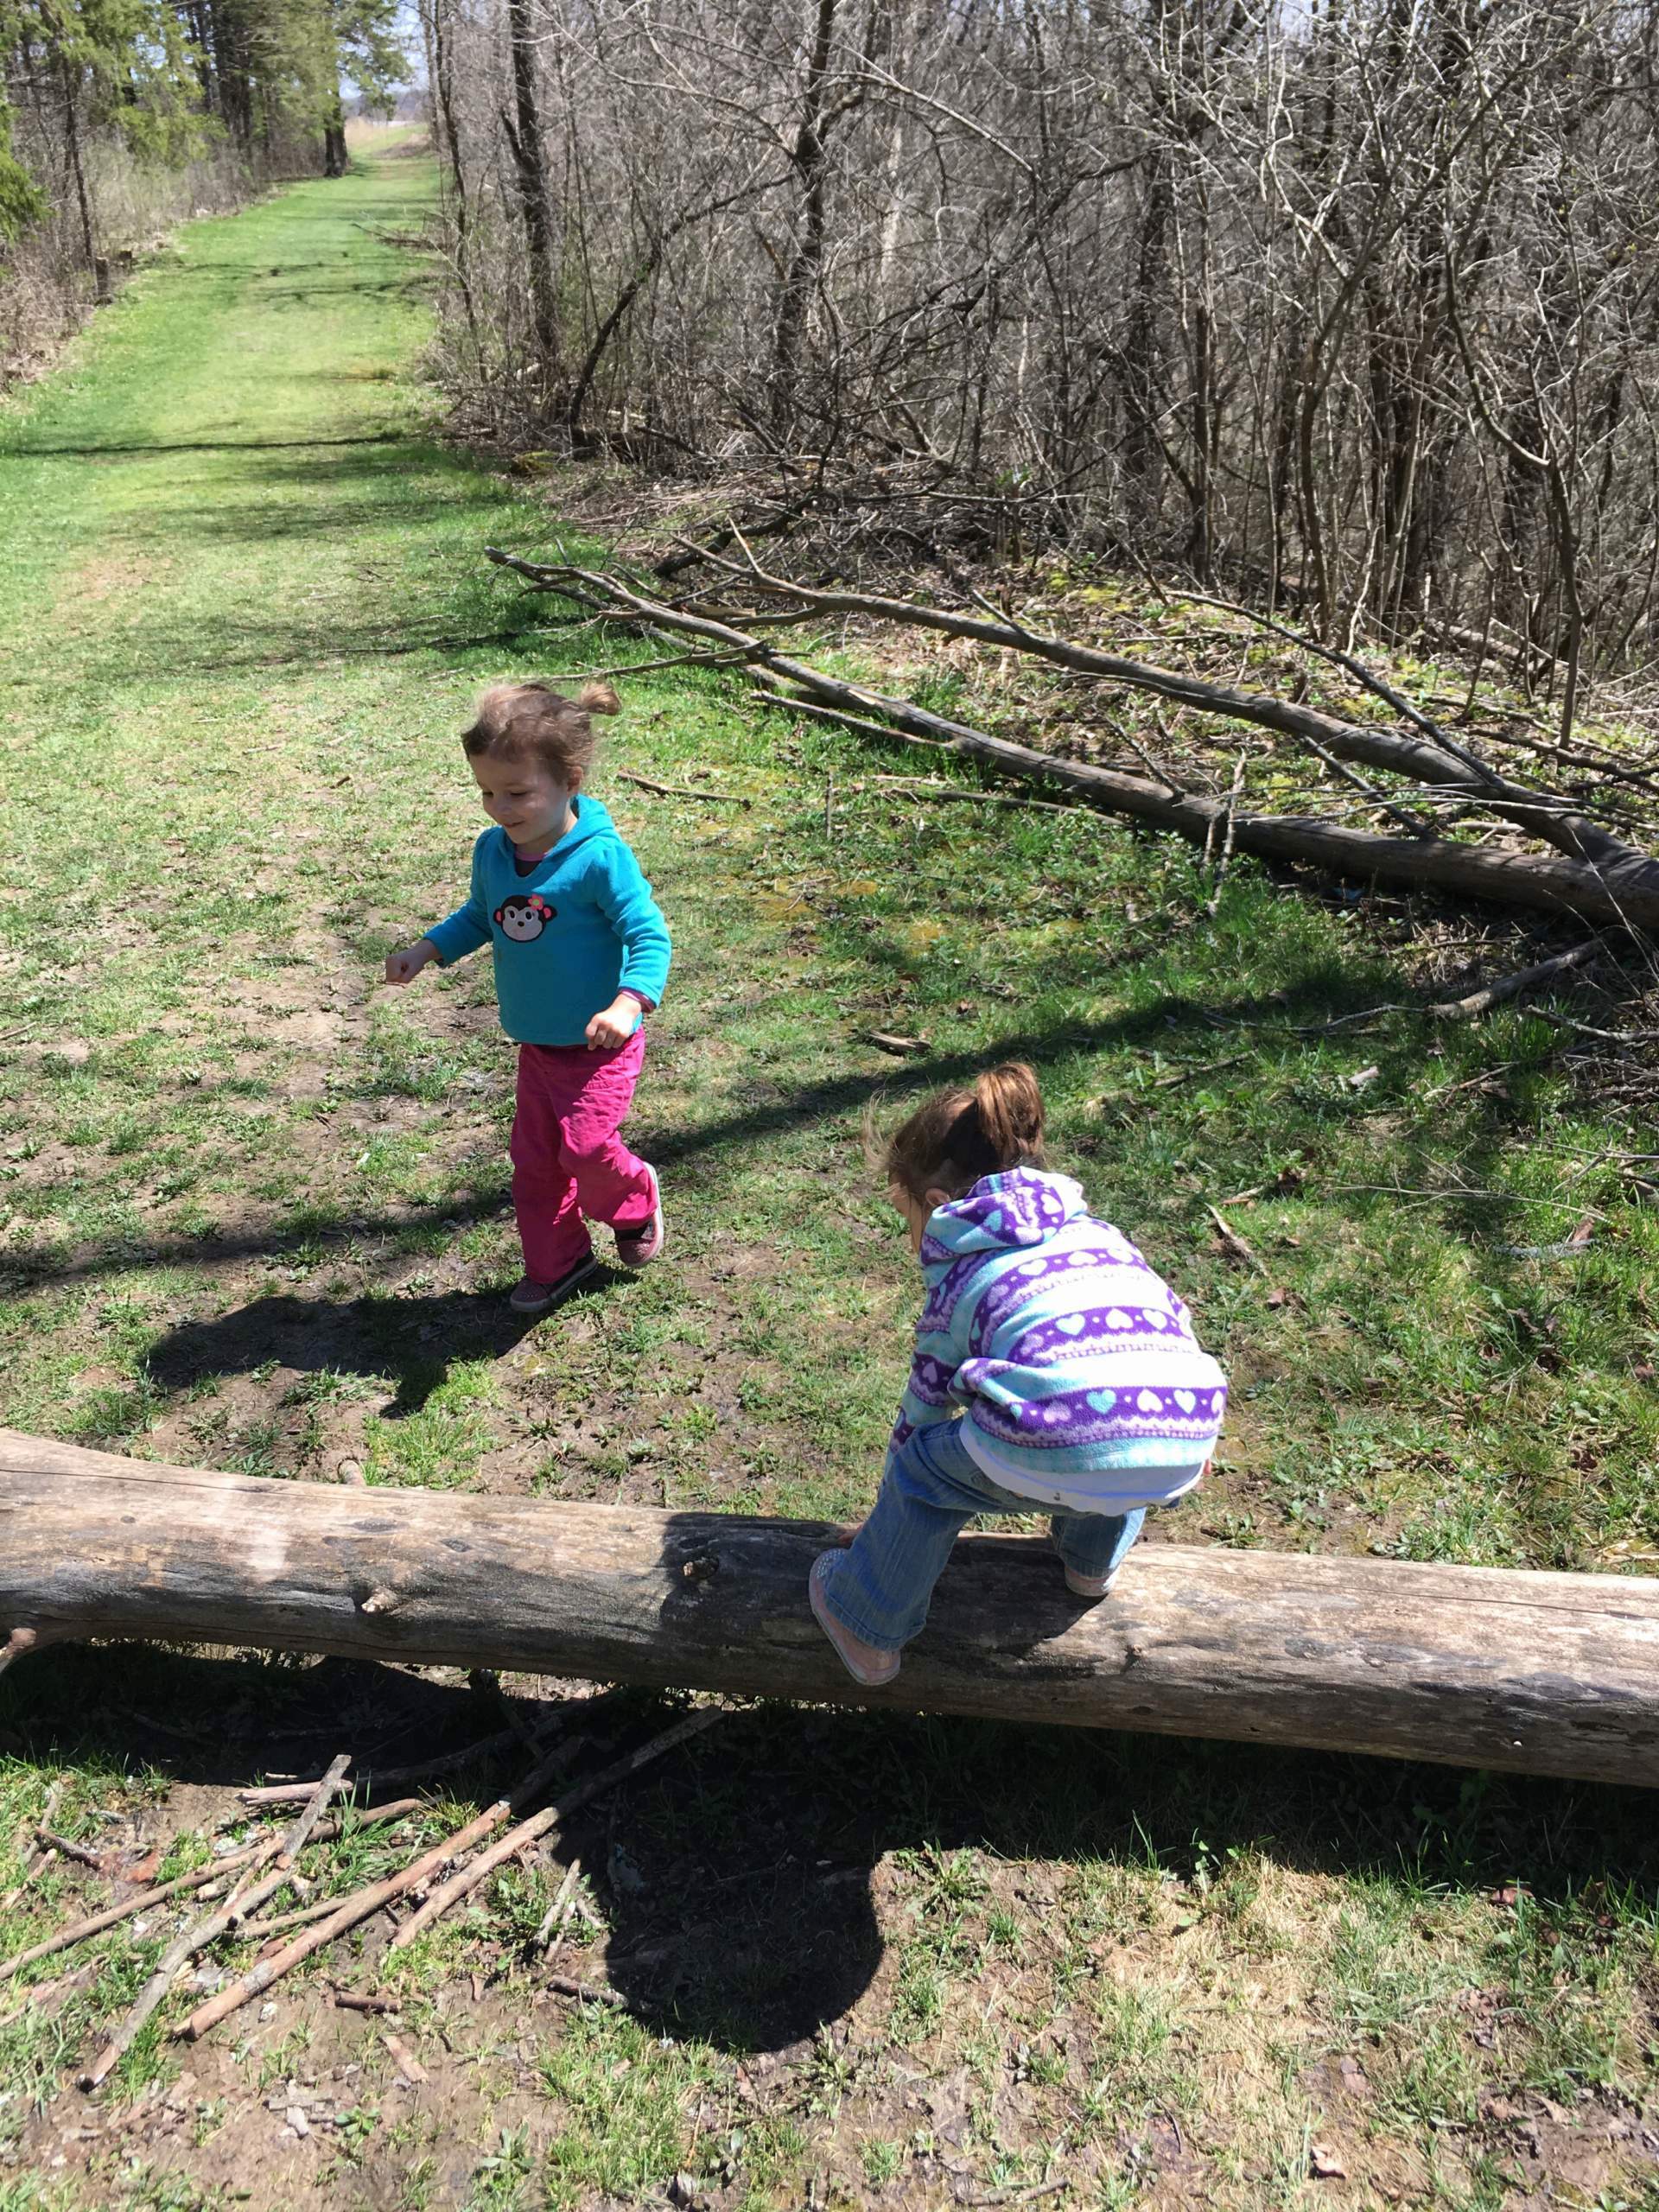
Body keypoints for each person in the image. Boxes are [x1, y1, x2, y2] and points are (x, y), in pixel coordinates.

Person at [810, 1064, 1226, 1685]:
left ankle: (868, 1622)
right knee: (1099, 1403)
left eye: (907, 1219)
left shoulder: (956, 1276)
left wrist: (885, 1510)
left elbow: (924, 1407)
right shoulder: (1097, 1233)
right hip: (1185, 1429)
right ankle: (1089, 1564)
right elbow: (1171, 1320)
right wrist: (1193, 1436)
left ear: (935, 1204)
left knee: (926, 1470)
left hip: (1075, 1444)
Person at [385, 679, 671, 1313]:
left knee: (587, 1147)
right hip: (538, 1043)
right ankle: (559, 1261)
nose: (499, 808)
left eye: (517, 793)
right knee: (535, 1164)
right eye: (487, 791)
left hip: (601, 1045)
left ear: (570, 780)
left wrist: (628, 1003)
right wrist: (426, 950)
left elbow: (647, 934)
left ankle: (634, 1197)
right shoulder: (493, 851)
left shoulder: (599, 858)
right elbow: (482, 916)